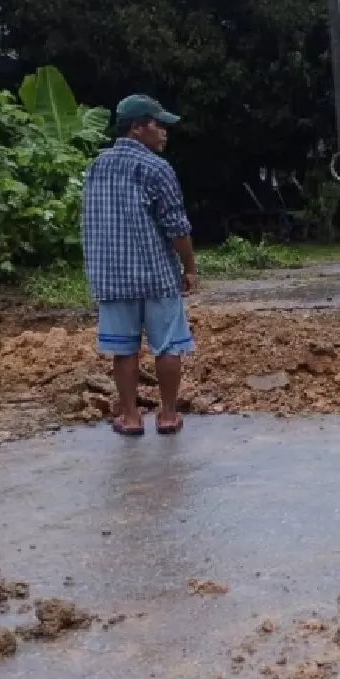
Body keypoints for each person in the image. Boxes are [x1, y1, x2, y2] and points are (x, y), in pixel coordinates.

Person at [81, 93, 198, 437]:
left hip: (112, 278)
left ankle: (131, 417)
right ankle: (168, 415)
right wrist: (189, 268)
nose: (164, 132)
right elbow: (176, 227)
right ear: (137, 128)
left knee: (123, 350)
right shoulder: (157, 168)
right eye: (157, 125)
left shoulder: (97, 166)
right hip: (156, 276)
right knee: (168, 346)